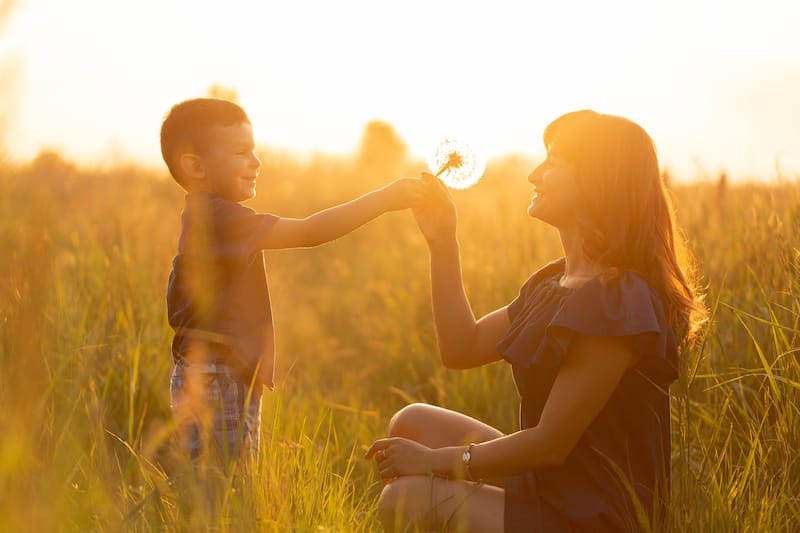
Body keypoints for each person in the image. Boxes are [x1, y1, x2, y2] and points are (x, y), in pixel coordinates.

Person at [367, 110, 705, 532]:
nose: (534, 174)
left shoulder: (619, 300)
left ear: (595, 182)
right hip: (553, 485)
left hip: (593, 514)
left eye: (553, 164)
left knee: (405, 499)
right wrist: (442, 241)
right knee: (413, 423)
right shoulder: (554, 282)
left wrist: (434, 463)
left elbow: (549, 444)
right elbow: (461, 347)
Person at [161, 97, 426, 463]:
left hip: (209, 374)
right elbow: (309, 231)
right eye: (241, 151)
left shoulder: (206, 216)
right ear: (195, 166)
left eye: (254, 150)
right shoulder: (222, 219)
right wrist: (383, 199)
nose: (256, 162)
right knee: (228, 492)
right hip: (219, 377)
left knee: (208, 486)